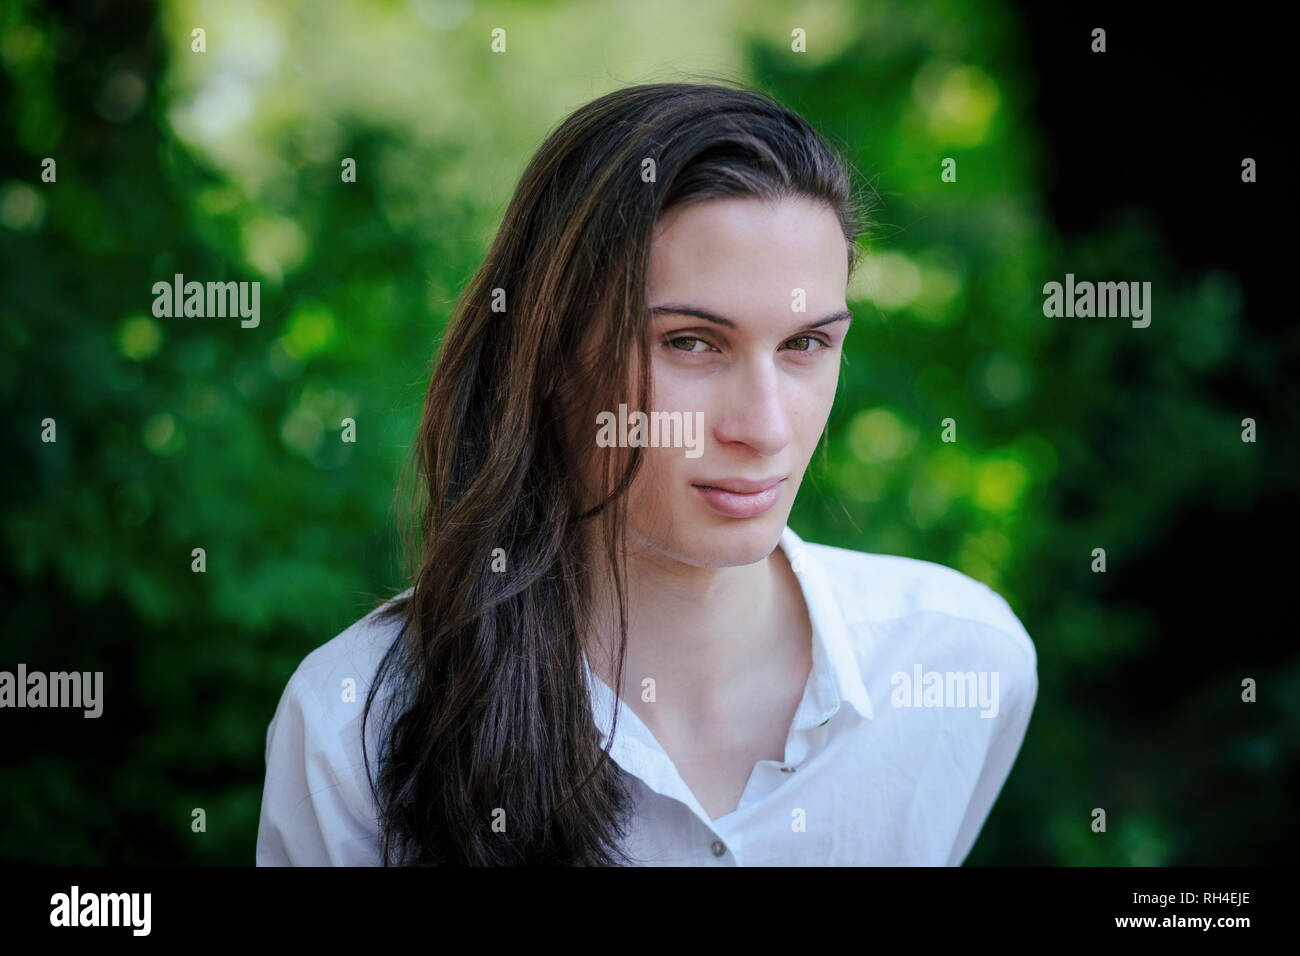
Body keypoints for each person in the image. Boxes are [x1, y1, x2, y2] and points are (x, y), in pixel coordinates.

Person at [256, 80, 1038, 866]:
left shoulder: (961, 663)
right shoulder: (350, 726)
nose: (764, 428)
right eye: (691, 343)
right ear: (550, 359)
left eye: (805, 345)